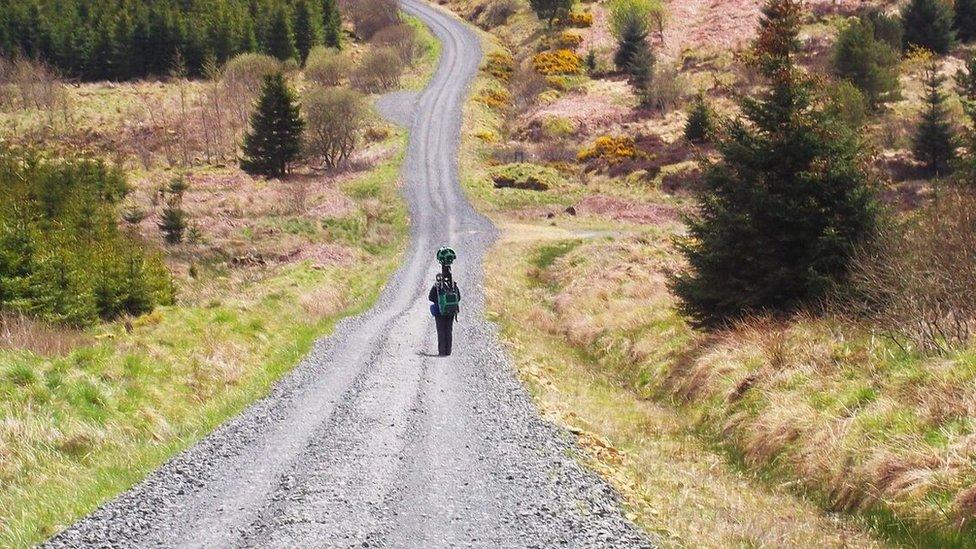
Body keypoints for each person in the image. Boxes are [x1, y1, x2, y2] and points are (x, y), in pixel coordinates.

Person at [429, 270, 460, 357]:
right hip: (451, 311)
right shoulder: (453, 285)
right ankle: (448, 351)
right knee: (449, 330)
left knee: (441, 331)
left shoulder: (437, 286)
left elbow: (430, 297)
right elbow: (459, 297)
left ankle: (442, 351)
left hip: (440, 312)